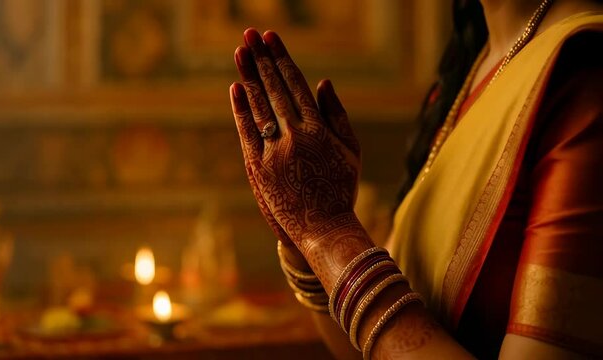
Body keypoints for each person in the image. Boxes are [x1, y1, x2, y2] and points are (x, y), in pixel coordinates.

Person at [229, 0, 603, 358]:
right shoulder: (465, 78)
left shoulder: (583, 70)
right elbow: (365, 348)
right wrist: (303, 239)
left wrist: (327, 234)